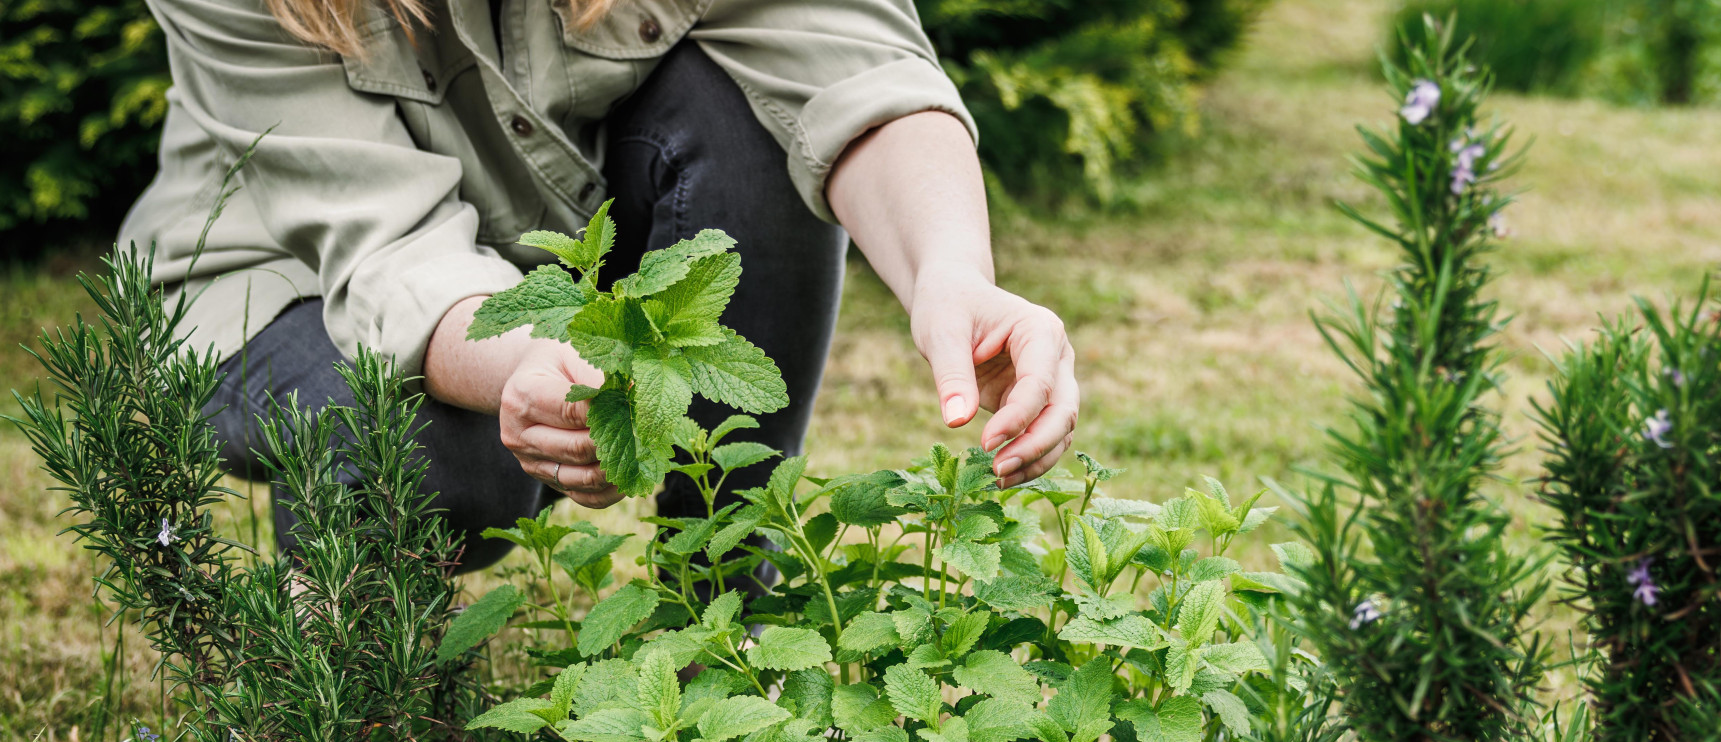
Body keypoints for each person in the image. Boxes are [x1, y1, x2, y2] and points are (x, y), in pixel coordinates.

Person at [119, 0, 1079, 571]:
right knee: (439, 454)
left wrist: (951, 268)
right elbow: (386, 254)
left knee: (753, 118)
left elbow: (850, 60)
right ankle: (347, 684)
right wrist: (533, 364)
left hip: (546, 245)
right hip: (273, 281)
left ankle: (727, 617)